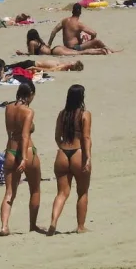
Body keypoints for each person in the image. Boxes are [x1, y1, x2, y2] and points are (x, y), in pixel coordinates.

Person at [48, 85, 92, 235]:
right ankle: (80, 226)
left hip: (62, 153)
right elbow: (86, 138)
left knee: (61, 193)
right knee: (82, 192)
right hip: (78, 152)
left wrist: (63, 147)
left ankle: (53, 222)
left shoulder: (62, 114)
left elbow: (56, 136)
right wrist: (87, 158)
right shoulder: (85, 115)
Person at [0, 82, 43, 236]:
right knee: (35, 189)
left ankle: (4, 226)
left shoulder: (8, 108)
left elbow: (10, 131)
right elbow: (25, 136)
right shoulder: (28, 111)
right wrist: (24, 158)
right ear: (30, 94)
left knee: (9, 192)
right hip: (27, 152)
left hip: (10, 150)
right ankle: (32, 225)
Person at [47, 4, 114, 53]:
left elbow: (54, 31)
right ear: (80, 12)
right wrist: (91, 40)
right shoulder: (78, 24)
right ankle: (109, 50)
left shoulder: (64, 20)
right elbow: (94, 33)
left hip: (66, 46)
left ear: (72, 11)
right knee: (97, 41)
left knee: (85, 39)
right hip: (75, 48)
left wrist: (49, 44)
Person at [20, 27, 106, 57]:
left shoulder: (32, 42)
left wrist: (22, 54)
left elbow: (31, 55)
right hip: (56, 48)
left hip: (55, 52)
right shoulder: (39, 41)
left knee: (80, 53)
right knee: (78, 52)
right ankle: (100, 51)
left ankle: (100, 52)